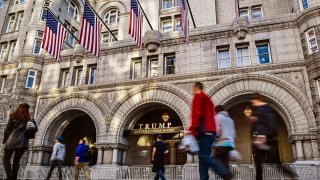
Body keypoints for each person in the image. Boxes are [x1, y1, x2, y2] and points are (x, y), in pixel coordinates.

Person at [188, 82, 232, 180]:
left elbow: (197, 114)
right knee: (203, 158)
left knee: (204, 157)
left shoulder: (198, 97)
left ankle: (224, 171)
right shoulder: (208, 99)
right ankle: (203, 178)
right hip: (211, 132)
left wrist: (192, 130)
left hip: (203, 131)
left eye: (193, 88)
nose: (192, 90)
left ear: (196, 88)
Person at [249, 93, 296, 180]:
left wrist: (265, 136)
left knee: (274, 160)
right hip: (259, 139)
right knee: (258, 162)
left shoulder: (266, 109)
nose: (252, 103)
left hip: (266, 139)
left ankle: (291, 174)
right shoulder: (257, 110)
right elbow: (257, 125)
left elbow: (270, 122)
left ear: (257, 99)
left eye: (253, 101)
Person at [2, 103, 31, 180]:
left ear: (19, 108)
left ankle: (9, 176)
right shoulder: (28, 119)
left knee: (6, 159)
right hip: (23, 142)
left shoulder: (13, 116)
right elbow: (34, 130)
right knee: (16, 161)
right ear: (27, 110)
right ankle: (14, 177)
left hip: (12, 140)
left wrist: (5, 140)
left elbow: (7, 130)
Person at [214, 105, 236, 169]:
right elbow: (234, 134)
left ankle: (227, 174)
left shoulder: (217, 117)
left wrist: (214, 140)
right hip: (230, 144)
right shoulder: (230, 119)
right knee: (225, 161)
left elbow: (217, 131)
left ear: (216, 111)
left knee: (213, 161)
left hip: (221, 143)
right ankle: (227, 175)